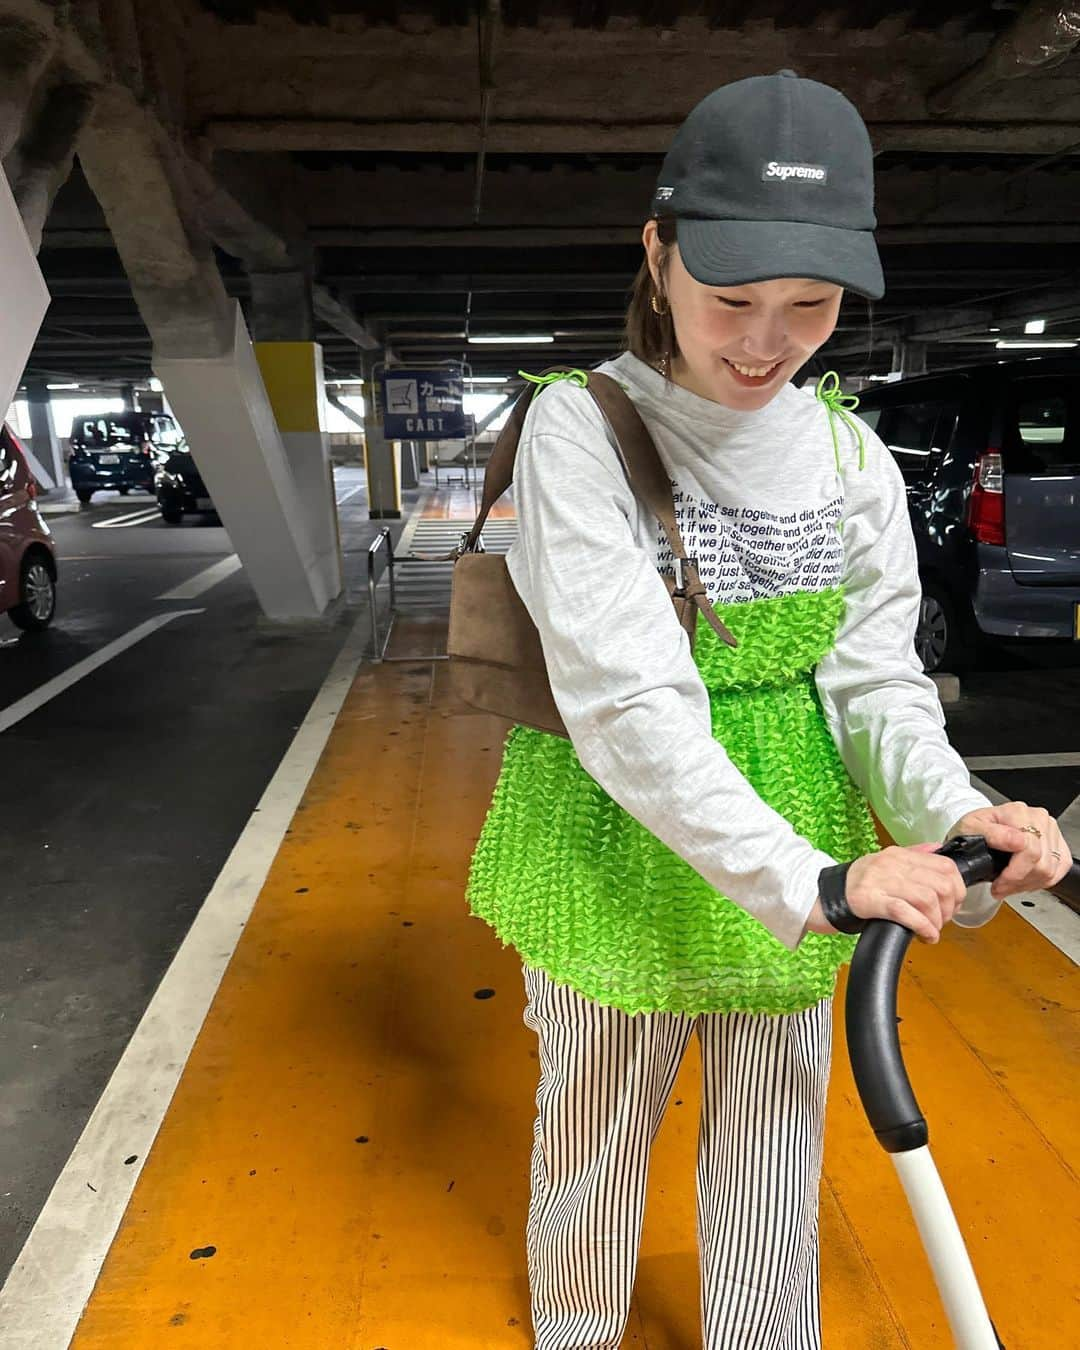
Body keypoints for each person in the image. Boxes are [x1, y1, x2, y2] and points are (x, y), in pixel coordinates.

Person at [465, 71, 1071, 1350]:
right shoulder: (582, 427)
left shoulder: (848, 452)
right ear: (658, 252)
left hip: (812, 827)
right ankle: (577, 1332)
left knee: (773, 1140)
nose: (765, 341)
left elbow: (873, 680)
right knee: (594, 1127)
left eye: (809, 307)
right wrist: (808, 879)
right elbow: (628, 697)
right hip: (621, 827)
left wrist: (956, 810)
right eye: (732, 299)